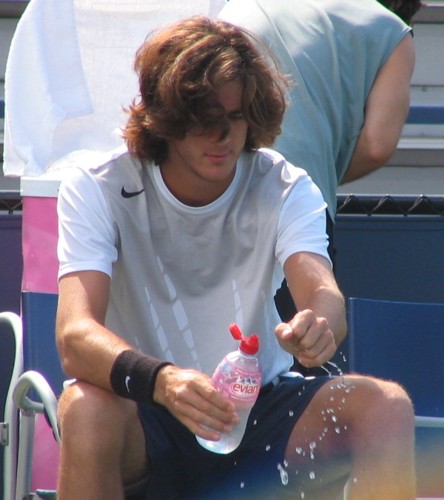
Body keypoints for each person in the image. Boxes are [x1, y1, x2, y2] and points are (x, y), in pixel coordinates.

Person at [55, 16, 415, 499]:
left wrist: (318, 326)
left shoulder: (285, 184)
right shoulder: (95, 185)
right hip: (145, 412)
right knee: (83, 407)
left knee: (387, 405)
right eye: (202, 117)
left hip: (260, 411)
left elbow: (321, 290)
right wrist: (162, 381)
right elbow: (73, 336)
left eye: (235, 116)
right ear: (165, 113)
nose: (221, 135)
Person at [219, 0, 421, 322]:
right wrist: (317, 173)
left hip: (201, 183)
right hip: (292, 201)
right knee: (302, 344)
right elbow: (376, 146)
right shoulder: (393, 31)